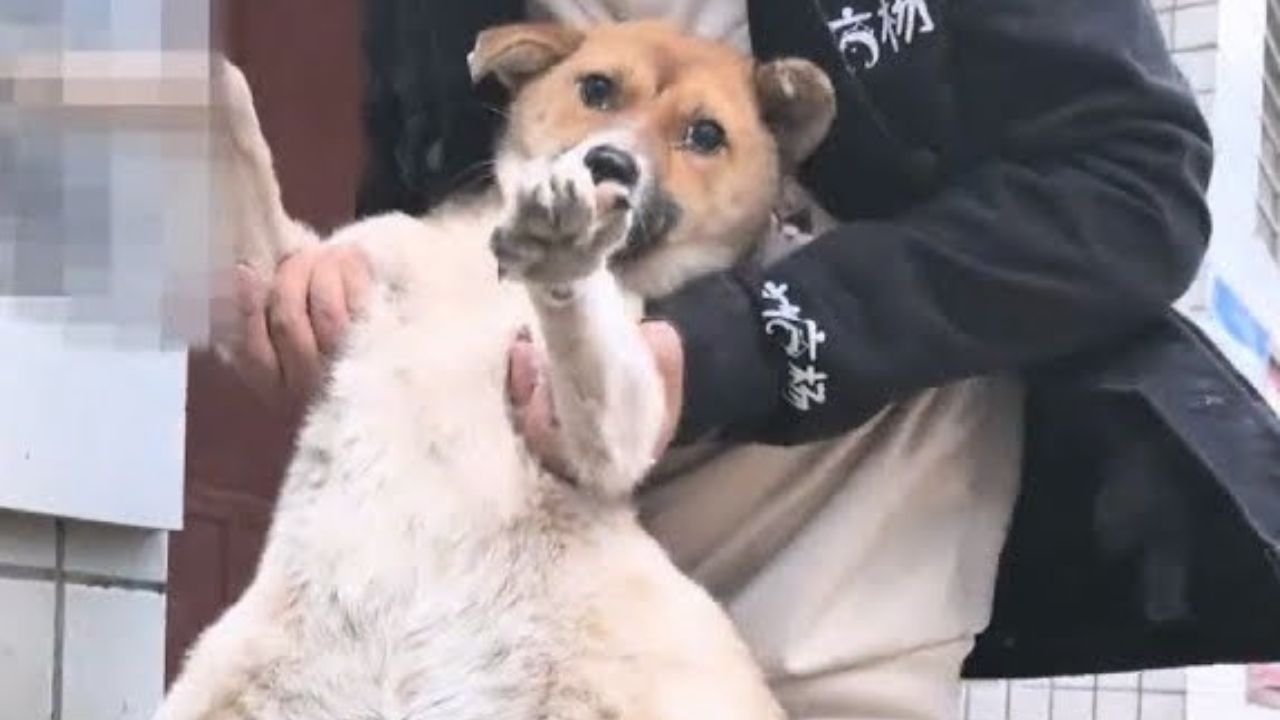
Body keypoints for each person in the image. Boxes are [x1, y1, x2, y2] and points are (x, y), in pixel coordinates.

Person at [224, 1, 1280, 718]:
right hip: (489, 549)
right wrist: (343, 327)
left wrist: (732, 349)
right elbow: (425, 194)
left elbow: (1129, 185)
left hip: (829, 541)